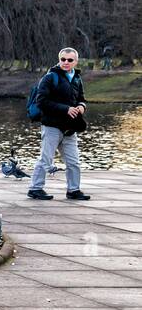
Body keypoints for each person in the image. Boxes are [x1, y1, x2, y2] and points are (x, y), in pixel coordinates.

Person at [28, 47, 89, 202]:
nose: (66, 62)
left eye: (70, 60)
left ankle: (73, 190)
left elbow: (81, 98)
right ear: (59, 59)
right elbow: (41, 101)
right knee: (46, 159)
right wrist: (65, 109)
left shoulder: (76, 78)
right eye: (63, 59)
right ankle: (35, 189)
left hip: (70, 128)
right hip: (52, 126)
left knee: (74, 162)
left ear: (75, 61)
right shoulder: (50, 78)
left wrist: (82, 106)